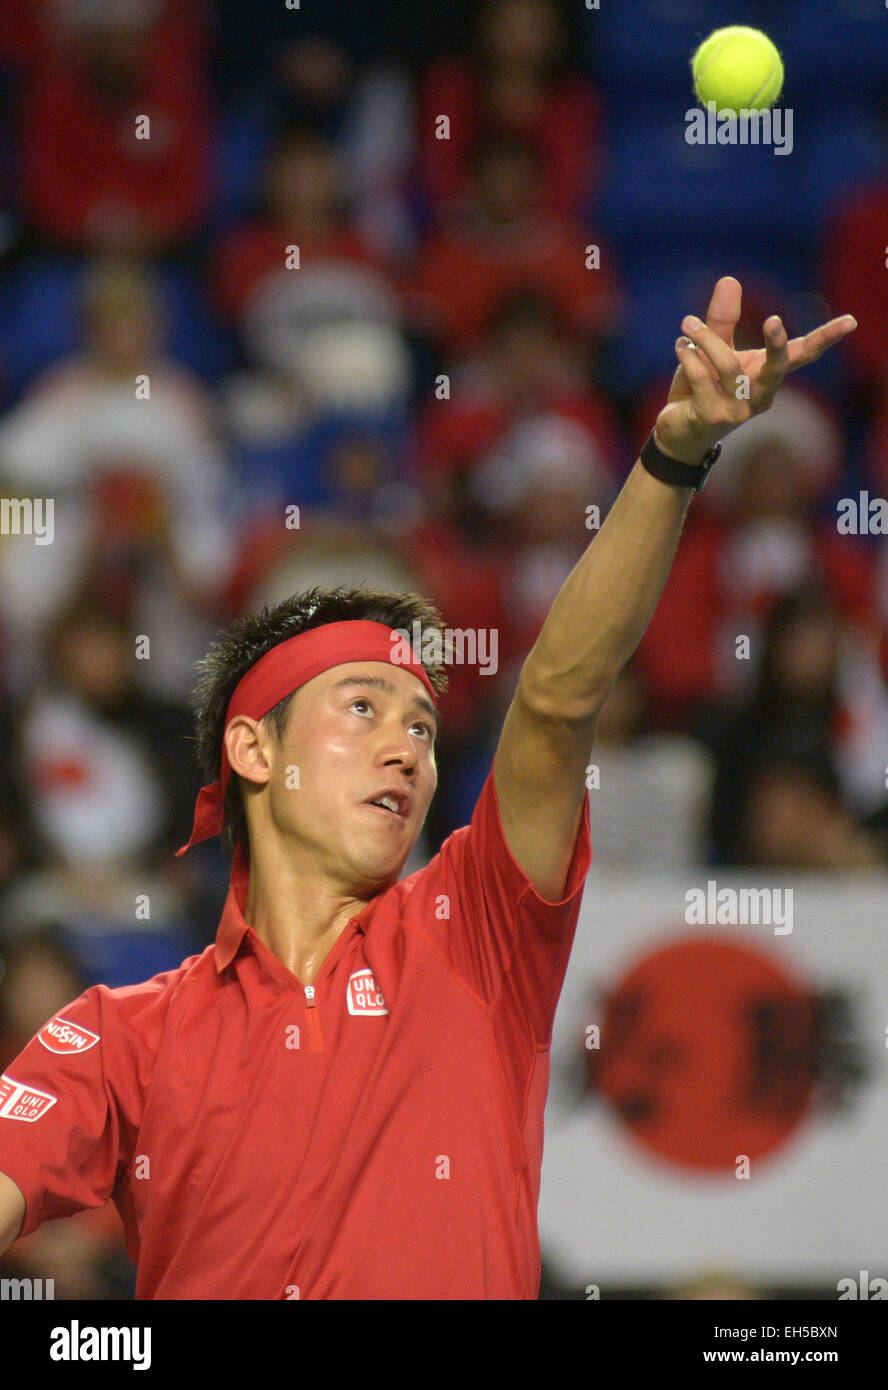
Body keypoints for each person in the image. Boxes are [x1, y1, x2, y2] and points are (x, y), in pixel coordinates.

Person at [0, 279, 856, 1298]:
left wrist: (674, 456)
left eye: (420, 724)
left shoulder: (473, 936)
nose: (407, 747)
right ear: (253, 750)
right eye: (362, 708)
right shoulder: (118, 1033)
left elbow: (556, 698)